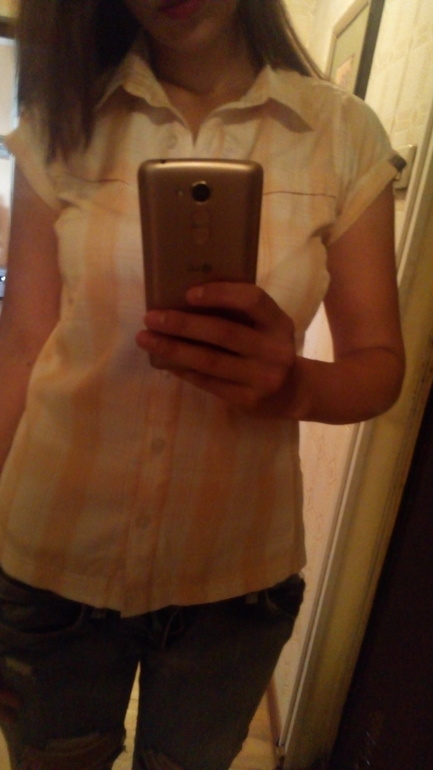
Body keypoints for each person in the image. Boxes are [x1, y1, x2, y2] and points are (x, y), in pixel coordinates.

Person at [0, 1, 405, 769]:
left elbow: (379, 365)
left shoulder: (341, 134)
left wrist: (293, 388)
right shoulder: (61, 123)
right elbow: (20, 349)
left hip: (235, 581)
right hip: (51, 562)